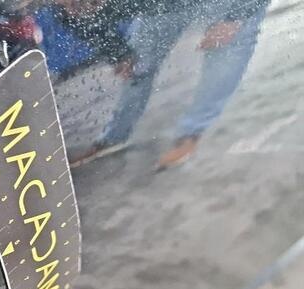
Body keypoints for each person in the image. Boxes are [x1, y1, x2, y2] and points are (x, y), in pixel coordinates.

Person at [69, 0, 270, 169]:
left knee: (230, 45)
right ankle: (114, 136)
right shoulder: (68, 8)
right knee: (138, 63)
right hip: (161, 6)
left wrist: (235, 18)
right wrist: (120, 55)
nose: (74, 9)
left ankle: (191, 133)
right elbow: (86, 25)